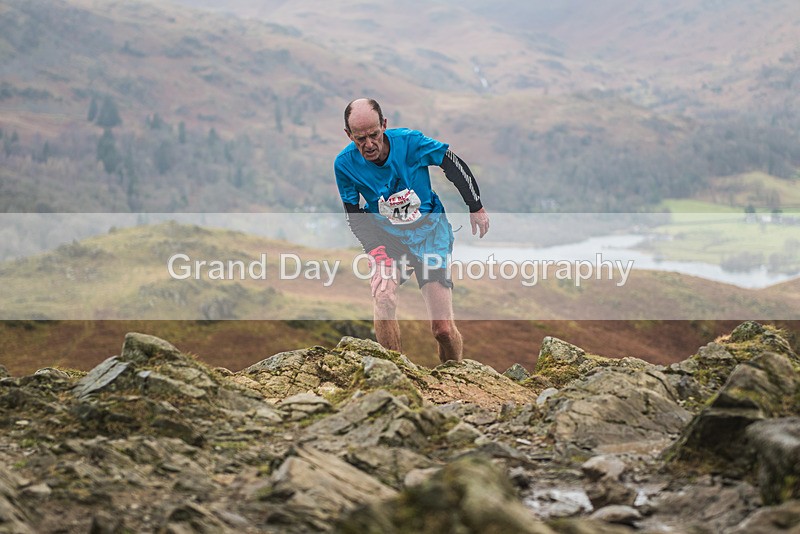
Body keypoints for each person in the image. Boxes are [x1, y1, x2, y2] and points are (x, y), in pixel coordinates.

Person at [334, 98, 490, 363]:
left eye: (374, 135)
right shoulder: (345, 165)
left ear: (384, 125)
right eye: (360, 139)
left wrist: (475, 206)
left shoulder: (410, 143)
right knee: (383, 296)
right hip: (389, 240)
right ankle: (395, 374)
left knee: (442, 329)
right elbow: (355, 215)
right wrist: (377, 253)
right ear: (349, 135)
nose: (369, 144)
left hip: (430, 235)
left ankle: (456, 375)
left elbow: (450, 162)